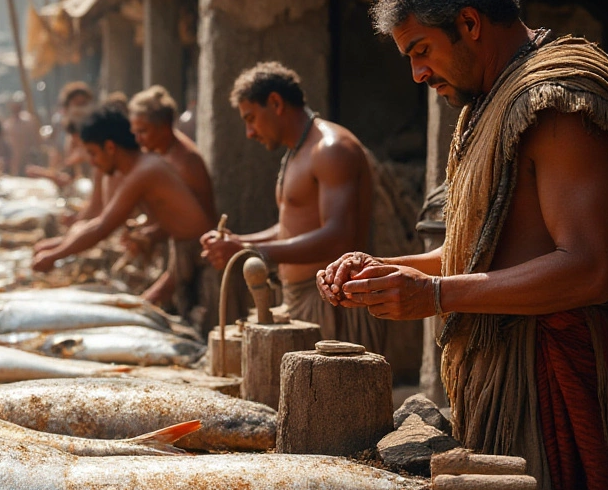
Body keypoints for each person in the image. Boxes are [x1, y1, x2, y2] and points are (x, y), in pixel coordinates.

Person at [318, 0, 608, 490]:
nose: (417, 74)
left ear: (468, 23)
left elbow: (589, 270)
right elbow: (483, 255)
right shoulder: (488, 104)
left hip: (561, 390)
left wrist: (432, 294)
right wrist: (386, 271)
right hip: (506, 380)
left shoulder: (556, 104)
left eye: (420, 51)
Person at [200, 62, 380, 351]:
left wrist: (253, 252)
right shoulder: (297, 151)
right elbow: (291, 228)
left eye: (251, 118)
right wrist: (239, 242)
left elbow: (338, 238)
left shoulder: (331, 148)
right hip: (300, 300)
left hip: (333, 303)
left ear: (275, 102)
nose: (249, 132)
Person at [32, 106, 210, 274]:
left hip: (202, 256)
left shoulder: (144, 171)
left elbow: (103, 226)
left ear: (110, 147)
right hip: (186, 254)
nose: (92, 162)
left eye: (93, 153)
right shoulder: (140, 168)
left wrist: (54, 255)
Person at [128, 86, 217, 323]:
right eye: (135, 132)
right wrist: (148, 234)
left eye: (143, 131)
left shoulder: (185, 162)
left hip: (200, 263)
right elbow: (175, 218)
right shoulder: (162, 156)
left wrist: (165, 283)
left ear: (164, 127)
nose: (138, 139)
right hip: (182, 260)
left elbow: (199, 227)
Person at [2, 92, 41, 176]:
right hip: (14, 159)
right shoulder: (7, 124)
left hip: (28, 157)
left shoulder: (29, 120)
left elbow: (36, 139)